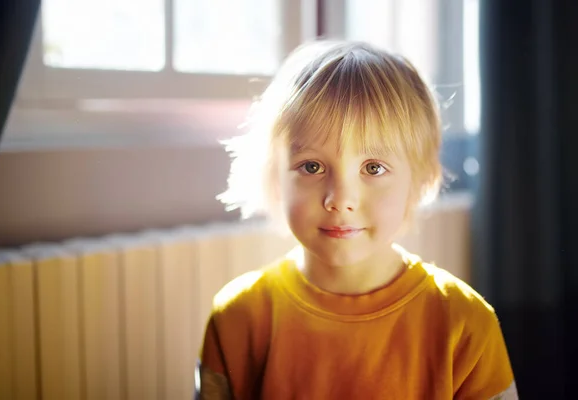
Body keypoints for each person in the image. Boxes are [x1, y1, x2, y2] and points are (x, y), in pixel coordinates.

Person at [195, 40, 517, 399]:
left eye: (373, 167)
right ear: (274, 176)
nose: (341, 199)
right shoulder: (238, 317)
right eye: (312, 166)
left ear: (421, 177)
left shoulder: (464, 324)